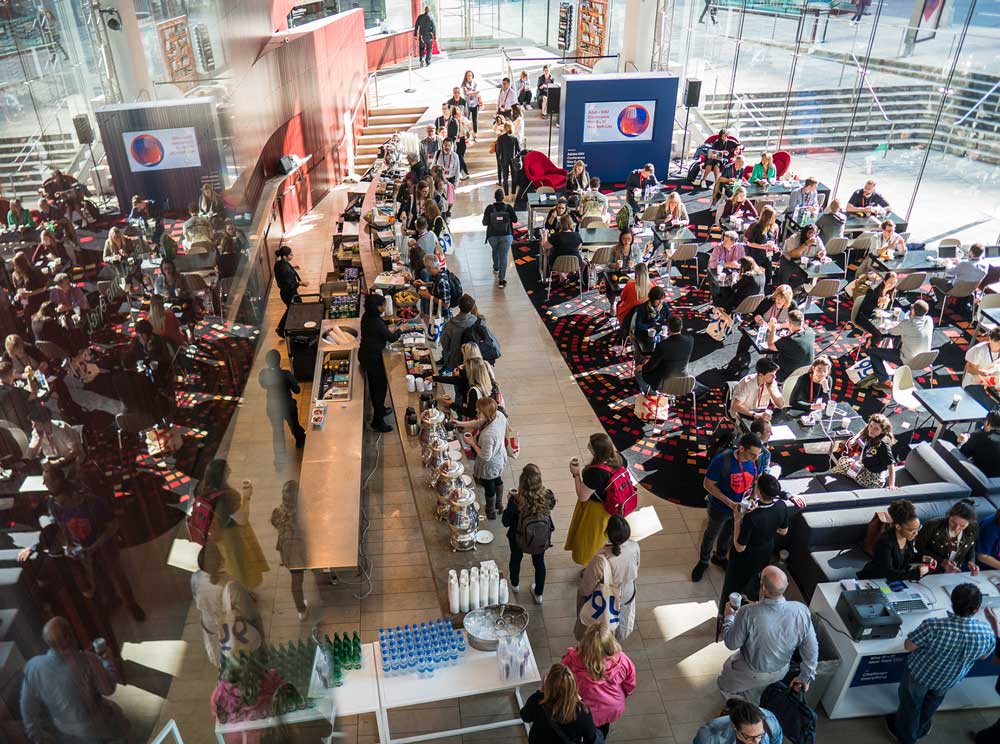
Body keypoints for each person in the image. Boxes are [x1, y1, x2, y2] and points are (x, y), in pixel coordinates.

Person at [887, 582, 995, 744]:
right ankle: (921, 729)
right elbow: (985, 656)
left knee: (911, 706)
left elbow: (908, 646)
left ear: (952, 602)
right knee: (931, 704)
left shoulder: (933, 626)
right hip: (948, 680)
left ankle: (907, 738)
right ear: (976, 609)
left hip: (919, 675)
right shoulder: (986, 632)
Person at [20, 616, 130, 743]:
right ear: (68, 637)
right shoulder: (88, 659)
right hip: (95, 729)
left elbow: (27, 709)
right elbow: (108, 690)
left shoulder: (33, 667)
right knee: (116, 717)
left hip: (63, 732)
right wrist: (107, 661)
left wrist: (38, 738)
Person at [718, 566, 817, 702]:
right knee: (760, 691)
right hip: (781, 671)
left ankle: (743, 710)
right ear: (786, 585)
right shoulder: (801, 610)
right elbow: (811, 649)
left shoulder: (747, 612)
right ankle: (755, 700)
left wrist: (729, 618)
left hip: (751, 672)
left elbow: (731, 643)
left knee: (724, 685)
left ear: (763, 588)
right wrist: (806, 676)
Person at [691, 433, 764, 581]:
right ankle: (703, 561)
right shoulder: (722, 461)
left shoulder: (757, 459)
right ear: (741, 448)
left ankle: (720, 556)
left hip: (740, 508)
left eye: (757, 454)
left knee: (729, 532)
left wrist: (753, 498)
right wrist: (730, 503)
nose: (755, 458)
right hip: (720, 507)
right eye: (752, 454)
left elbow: (757, 480)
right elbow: (707, 484)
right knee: (712, 533)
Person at [719, 473, 788, 611]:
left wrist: (738, 519)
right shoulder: (781, 506)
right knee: (755, 583)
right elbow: (783, 531)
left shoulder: (752, 517)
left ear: (758, 491)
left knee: (735, 586)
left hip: (746, 557)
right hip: (765, 552)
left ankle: (727, 612)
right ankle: (750, 606)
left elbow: (739, 547)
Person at [191, 542, 262, 668]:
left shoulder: (195, 579)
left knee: (224, 667)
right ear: (220, 561)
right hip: (236, 635)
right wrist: (262, 642)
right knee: (243, 666)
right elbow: (252, 615)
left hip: (212, 632)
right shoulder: (231, 585)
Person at [563, 624, 636, 740]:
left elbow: (562, 681)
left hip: (583, 712)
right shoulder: (622, 660)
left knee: (581, 734)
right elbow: (630, 684)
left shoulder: (571, 661)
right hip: (611, 708)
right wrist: (625, 694)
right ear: (611, 643)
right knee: (601, 731)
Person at [575, 515, 641, 642]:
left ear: (606, 533)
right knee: (619, 628)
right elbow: (636, 566)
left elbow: (586, 589)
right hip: (627, 594)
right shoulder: (635, 547)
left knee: (600, 636)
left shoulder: (600, 560)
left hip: (605, 602)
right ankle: (614, 645)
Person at [565, 433, 624, 565]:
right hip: (613, 507)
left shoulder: (595, 473)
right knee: (604, 537)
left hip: (596, 511)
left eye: (590, 446)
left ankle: (592, 565)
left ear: (596, 451)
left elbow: (582, 496)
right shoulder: (619, 459)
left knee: (590, 540)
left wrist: (576, 475)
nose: (588, 447)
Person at [502, 463, 555, 604]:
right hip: (540, 538)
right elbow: (552, 505)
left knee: (515, 559)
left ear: (522, 483)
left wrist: (509, 501)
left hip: (518, 538)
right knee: (539, 563)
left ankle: (515, 584)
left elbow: (505, 522)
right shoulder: (548, 495)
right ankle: (539, 594)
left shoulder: (516, 501)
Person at [520, 663, 600, 743]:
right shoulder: (582, 712)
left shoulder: (537, 699)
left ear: (548, 683)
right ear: (573, 686)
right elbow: (591, 738)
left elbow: (525, 717)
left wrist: (542, 691)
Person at [857, 499, 931, 581]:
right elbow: (888, 574)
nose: (916, 533)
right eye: (912, 530)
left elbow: (906, 556)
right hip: (875, 579)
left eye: (918, 528)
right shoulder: (884, 542)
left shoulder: (908, 537)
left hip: (896, 578)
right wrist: (917, 573)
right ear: (898, 527)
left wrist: (922, 558)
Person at [868, 299, 933, 389]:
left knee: (873, 352)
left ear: (913, 310)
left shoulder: (907, 324)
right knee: (903, 338)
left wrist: (885, 326)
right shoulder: (929, 320)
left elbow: (891, 332)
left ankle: (884, 381)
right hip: (926, 359)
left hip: (908, 360)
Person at [358, 293, 400, 432]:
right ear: (378, 307)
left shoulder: (368, 316)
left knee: (377, 387)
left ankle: (381, 409)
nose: (385, 306)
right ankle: (377, 421)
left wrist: (391, 322)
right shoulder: (376, 323)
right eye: (383, 305)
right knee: (379, 390)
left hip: (365, 355)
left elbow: (381, 325)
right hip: (372, 361)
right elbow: (392, 337)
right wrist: (401, 330)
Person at [461, 396, 508, 519]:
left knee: (489, 486)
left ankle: (490, 511)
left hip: (490, 464)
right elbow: (479, 422)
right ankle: (499, 505)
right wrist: (460, 423)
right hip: (499, 456)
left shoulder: (488, 435)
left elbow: (485, 456)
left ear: (485, 413)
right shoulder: (498, 415)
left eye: (479, 410)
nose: (476, 411)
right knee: (498, 479)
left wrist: (472, 443)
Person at [270, 480, 310, 620]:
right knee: (303, 577)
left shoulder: (278, 512)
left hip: (289, 553)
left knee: (296, 580)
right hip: (304, 551)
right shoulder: (304, 513)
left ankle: (301, 609)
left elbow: (275, 524)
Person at [258, 348, 306, 454]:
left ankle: (280, 455)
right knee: (294, 425)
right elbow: (297, 390)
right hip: (288, 406)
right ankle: (300, 440)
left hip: (272, 407)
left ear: (267, 362)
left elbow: (263, 385)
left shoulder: (263, 374)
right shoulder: (286, 374)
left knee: (277, 431)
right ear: (279, 360)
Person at [832, 412, 897, 488]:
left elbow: (891, 465)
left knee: (842, 464)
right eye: (871, 426)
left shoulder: (883, 444)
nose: (871, 430)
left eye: (876, 429)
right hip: (865, 465)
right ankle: (852, 472)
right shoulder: (871, 431)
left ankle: (852, 474)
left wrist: (891, 485)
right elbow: (865, 428)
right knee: (843, 461)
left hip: (872, 476)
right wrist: (855, 439)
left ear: (882, 431)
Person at [917, 499, 981, 575]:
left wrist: (971, 561)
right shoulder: (932, 525)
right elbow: (919, 548)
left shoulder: (973, 527)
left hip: (957, 570)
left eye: (962, 526)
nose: (956, 528)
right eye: (953, 522)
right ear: (949, 515)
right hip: (931, 569)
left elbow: (971, 547)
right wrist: (941, 561)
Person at [635, 314, 692, 394]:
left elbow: (651, 366)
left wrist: (641, 367)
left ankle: (652, 393)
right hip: (683, 381)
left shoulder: (662, 345)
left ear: (668, 329)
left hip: (664, 383)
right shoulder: (690, 340)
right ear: (681, 327)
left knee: (637, 372)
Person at [439, 293, 499, 369]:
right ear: (471, 308)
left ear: (459, 306)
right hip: (476, 358)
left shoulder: (450, 325)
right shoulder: (479, 321)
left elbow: (444, 344)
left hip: (457, 361)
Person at [695, 699, 782, 744]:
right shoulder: (709, 736)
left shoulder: (770, 721)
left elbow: (777, 741)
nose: (757, 741)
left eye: (761, 735)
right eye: (749, 737)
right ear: (735, 727)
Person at [766, 308, 814, 381]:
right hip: (805, 373)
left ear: (790, 323)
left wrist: (773, 329)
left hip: (787, 375)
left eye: (787, 321)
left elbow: (770, 345)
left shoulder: (789, 340)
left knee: (766, 362)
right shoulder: (810, 332)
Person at [777, 223, 825, 290]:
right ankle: (783, 290)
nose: (812, 235)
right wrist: (806, 244)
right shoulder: (795, 238)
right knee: (784, 281)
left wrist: (821, 254)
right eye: (810, 233)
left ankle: (798, 291)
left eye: (814, 233)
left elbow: (823, 250)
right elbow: (794, 255)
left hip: (804, 262)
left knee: (807, 277)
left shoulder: (817, 239)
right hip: (789, 261)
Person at [854, 270, 898, 343]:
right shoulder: (873, 290)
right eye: (890, 282)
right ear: (884, 281)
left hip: (879, 318)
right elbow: (865, 309)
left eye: (894, 283)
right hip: (865, 317)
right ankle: (870, 349)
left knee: (892, 332)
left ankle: (873, 345)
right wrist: (878, 302)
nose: (892, 285)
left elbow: (888, 310)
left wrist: (887, 303)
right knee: (879, 335)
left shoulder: (892, 292)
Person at [963, 327, 1000, 410]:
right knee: (991, 408)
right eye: (995, 343)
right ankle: (986, 422)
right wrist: (980, 372)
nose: (996, 346)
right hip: (974, 383)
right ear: (990, 338)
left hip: (993, 385)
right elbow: (969, 368)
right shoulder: (978, 350)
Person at [743, 205, 779, 288]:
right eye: (771, 217)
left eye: (774, 217)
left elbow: (775, 241)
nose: (773, 219)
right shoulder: (755, 226)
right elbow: (749, 243)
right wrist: (763, 246)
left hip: (767, 255)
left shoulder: (775, 227)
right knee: (753, 274)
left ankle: (766, 291)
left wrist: (775, 247)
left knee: (768, 274)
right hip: (755, 254)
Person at [273, 245, 305, 338]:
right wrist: (300, 283)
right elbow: (289, 285)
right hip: (289, 293)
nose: (292, 256)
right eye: (290, 255)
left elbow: (285, 271)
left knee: (293, 309)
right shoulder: (284, 269)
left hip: (286, 293)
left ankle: (283, 328)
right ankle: (282, 328)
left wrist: (293, 268)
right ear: (284, 256)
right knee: (294, 309)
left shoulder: (279, 263)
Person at [0, 359, 39, 433]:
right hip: (25, 430)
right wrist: (30, 375)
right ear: (11, 374)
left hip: (8, 433)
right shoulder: (13, 391)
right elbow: (33, 394)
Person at [960, 409, 1000, 480]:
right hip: (996, 485)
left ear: (987, 422)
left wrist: (964, 441)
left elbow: (961, 454)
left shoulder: (979, 437)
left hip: (977, 480)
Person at [633, 285, 670, 354]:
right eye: (658, 299)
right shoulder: (643, 308)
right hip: (645, 335)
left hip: (660, 334)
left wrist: (665, 326)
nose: (660, 302)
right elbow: (638, 326)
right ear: (652, 299)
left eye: (662, 299)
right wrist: (652, 324)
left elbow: (670, 319)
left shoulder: (664, 306)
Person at [11, 250, 49, 316]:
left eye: (16, 265)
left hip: (39, 301)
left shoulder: (35, 272)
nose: (15, 268)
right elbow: (18, 288)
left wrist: (30, 293)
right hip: (27, 305)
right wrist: (18, 294)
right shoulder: (15, 275)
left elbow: (45, 287)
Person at [616, 262, 651, 327]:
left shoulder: (630, 285)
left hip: (627, 316)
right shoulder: (653, 285)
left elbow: (622, 298)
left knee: (618, 304)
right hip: (645, 315)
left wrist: (628, 283)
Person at [495, 124, 520, 197]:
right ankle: (513, 194)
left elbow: (498, 150)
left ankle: (506, 194)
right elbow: (519, 150)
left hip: (504, 159)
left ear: (505, 128)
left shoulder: (501, 138)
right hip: (513, 159)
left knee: (505, 177)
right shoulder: (514, 138)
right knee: (514, 176)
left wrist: (499, 160)